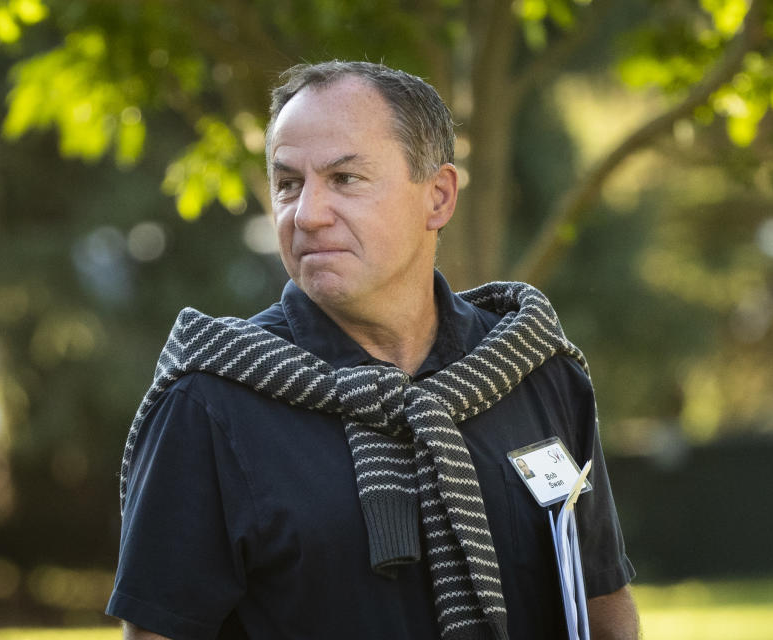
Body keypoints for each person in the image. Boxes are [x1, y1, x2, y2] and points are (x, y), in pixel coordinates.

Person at [106, 60, 638, 640]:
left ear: (437, 197)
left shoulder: (534, 370)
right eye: (287, 184)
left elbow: (604, 605)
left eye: (345, 179)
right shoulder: (208, 401)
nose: (306, 214)